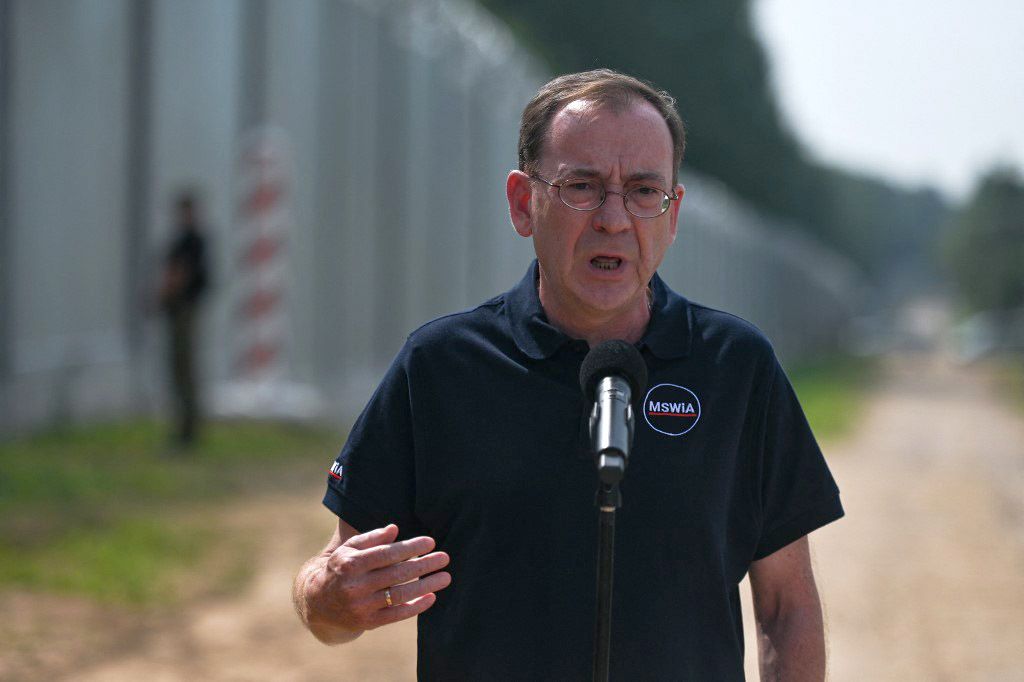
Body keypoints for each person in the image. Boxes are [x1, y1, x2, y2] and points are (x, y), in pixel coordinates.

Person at [293, 69, 843, 680]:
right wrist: (327, 595)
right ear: (524, 203)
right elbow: (332, 596)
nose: (613, 218)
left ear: (673, 213)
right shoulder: (441, 367)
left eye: (641, 191)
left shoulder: (737, 367)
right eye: (581, 186)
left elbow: (787, 604)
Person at [158, 191, 211, 448]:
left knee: (183, 370)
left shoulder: (192, 242)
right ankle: (186, 428)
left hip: (184, 311)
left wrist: (164, 295)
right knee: (180, 370)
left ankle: (188, 431)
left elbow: (179, 275)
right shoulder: (189, 241)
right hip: (181, 311)